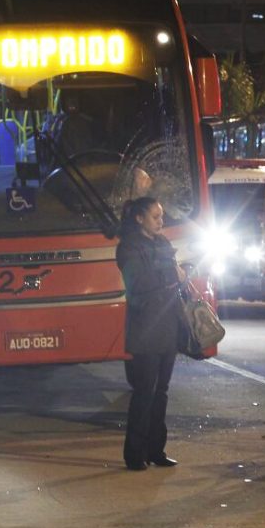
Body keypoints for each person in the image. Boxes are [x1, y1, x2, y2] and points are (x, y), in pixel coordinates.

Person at [116, 197, 186, 471]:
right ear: (139, 219)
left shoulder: (163, 243)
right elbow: (139, 283)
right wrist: (171, 277)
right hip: (145, 327)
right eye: (156, 217)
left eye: (162, 216)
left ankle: (156, 450)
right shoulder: (129, 247)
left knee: (162, 391)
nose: (161, 221)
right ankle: (134, 454)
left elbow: (175, 275)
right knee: (144, 392)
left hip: (168, 323)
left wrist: (180, 275)